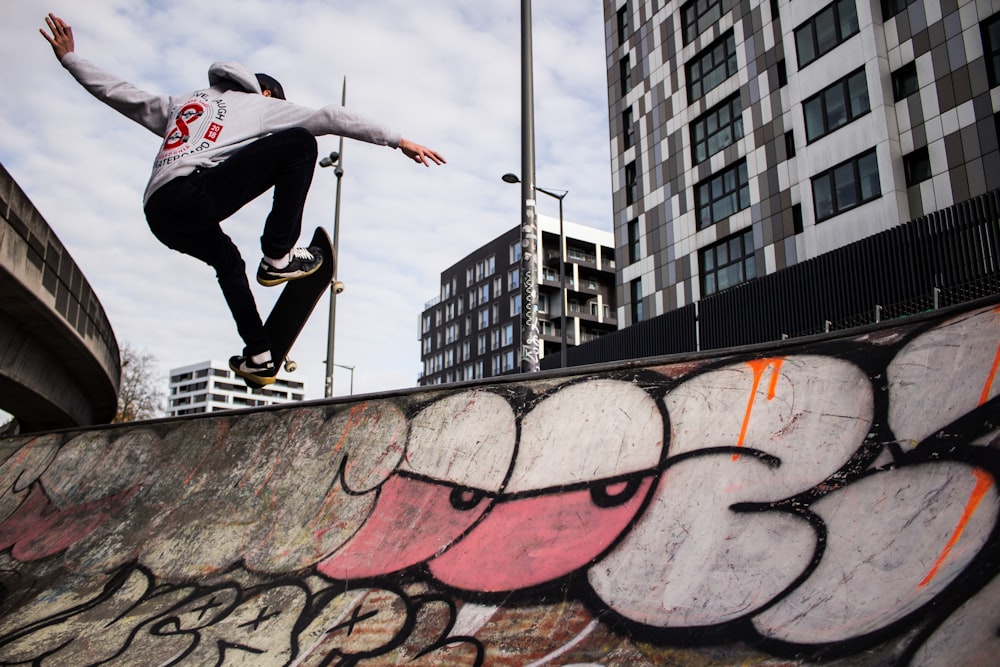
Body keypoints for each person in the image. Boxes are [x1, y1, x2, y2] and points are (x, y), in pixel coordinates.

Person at [40, 12, 445, 386]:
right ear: (267, 92)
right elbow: (331, 116)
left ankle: (259, 356)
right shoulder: (258, 104)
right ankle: (277, 256)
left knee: (228, 261)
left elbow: (118, 92)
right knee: (301, 143)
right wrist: (397, 140)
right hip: (195, 194)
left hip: (159, 209)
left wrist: (70, 59)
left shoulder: (179, 104)